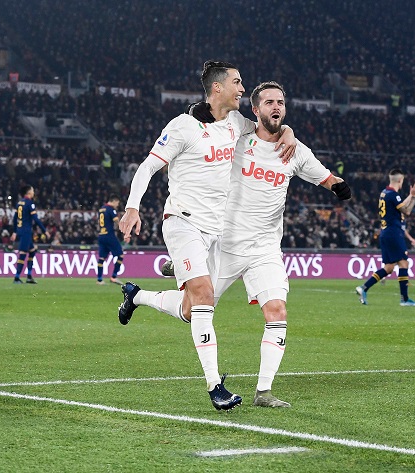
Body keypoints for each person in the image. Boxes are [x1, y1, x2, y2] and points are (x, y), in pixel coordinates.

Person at [135, 81, 351, 408]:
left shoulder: (296, 150)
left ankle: (263, 392)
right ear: (255, 109)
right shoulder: (236, 137)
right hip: (224, 244)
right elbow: (206, 116)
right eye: (269, 103)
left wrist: (339, 186)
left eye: (281, 102)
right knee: (191, 310)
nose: (276, 107)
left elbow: (326, 178)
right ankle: (139, 295)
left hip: (264, 249)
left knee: (277, 311)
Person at [117, 61, 297, 411]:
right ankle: (216, 387)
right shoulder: (183, 127)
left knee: (191, 309)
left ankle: (136, 296)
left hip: (216, 232)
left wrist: (287, 131)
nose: (243, 89)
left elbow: (269, 126)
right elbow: (148, 165)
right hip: (183, 222)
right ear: (218, 88)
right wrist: (132, 207)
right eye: (237, 82)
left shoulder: (235, 123)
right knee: (204, 294)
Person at [356, 169, 415, 307]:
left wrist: (411, 195)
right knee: (404, 263)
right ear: (400, 180)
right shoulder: (393, 194)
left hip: (385, 233)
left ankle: (363, 288)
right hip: (394, 233)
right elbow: (407, 211)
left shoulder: (384, 193)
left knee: (389, 268)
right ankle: (404, 299)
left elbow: (399, 206)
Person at [11, 185, 50, 284]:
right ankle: (17, 277)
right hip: (26, 231)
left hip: (20, 230)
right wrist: (44, 230)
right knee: (23, 253)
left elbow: (15, 219)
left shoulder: (19, 203)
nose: (33, 192)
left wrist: (15, 231)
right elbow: (36, 219)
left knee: (32, 251)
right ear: (28, 192)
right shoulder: (29, 203)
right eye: (32, 190)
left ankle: (29, 276)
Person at [96, 195, 125, 285]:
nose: (117, 205)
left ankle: (99, 280)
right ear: (114, 200)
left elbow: (99, 222)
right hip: (109, 235)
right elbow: (116, 220)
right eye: (117, 203)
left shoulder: (101, 209)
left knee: (102, 258)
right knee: (120, 255)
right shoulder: (110, 209)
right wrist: (123, 228)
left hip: (101, 235)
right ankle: (114, 277)